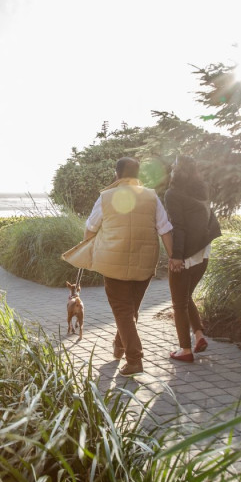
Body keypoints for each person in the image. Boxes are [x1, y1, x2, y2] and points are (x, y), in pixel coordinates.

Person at [63, 157, 173, 377]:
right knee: (130, 310)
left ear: (117, 173)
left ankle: (134, 360)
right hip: (145, 264)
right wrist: (174, 258)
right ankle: (119, 345)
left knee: (123, 311)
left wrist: (90, 247)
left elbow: (91, 228)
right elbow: (165, 228)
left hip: (114, 263)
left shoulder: (106, 197)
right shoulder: (151, 197)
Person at [164, 155, 220, 363]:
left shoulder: (172, 194)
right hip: (204, 252)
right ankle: (199, 335)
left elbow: (179, 226)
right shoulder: (201, 192)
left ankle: (185, 350)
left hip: (186, 255)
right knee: (186, 296)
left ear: (177, 172)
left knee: (178, 303)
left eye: (173, 167)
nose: (171, 170)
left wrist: (176, 257)